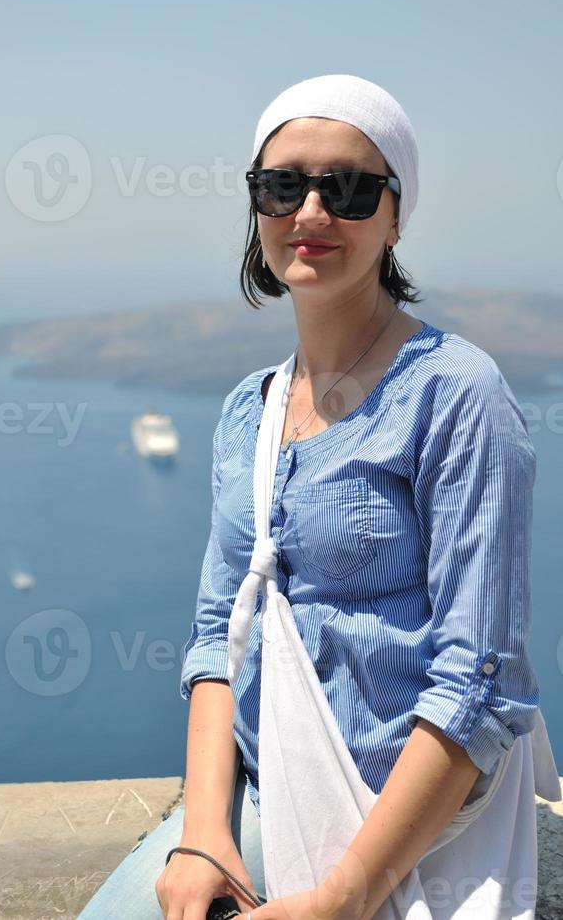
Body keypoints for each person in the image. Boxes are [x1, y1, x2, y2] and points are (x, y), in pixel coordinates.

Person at [77, 75, 560, 920]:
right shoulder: (248, 410)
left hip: (398, 822)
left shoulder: (457, 395)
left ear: (396, 214)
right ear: (256, 206)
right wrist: (202, 835)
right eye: (281, 185)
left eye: (348, 188)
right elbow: (214, 635)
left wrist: (343, 897)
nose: (310, 212)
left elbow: (479, 685)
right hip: (262, 797)